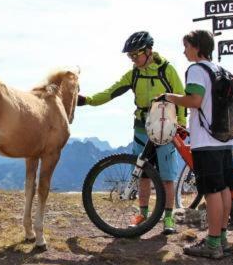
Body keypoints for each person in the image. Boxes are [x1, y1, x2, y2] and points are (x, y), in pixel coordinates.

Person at [77, 31, 186, 234]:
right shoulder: (134, 74)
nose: (133, 59)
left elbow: (181, 96)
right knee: (143, 174)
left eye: (136, 55)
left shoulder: (167, 69)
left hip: (165, 127)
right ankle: (142, 215)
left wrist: (182, 123)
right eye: (130, 56)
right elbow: (112, 91)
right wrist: (88, 100)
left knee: (167, 177)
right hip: (141, 128)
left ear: (148, 51)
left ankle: (169, 218)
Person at [160, 30, 233, 259]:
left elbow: (195, 100)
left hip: (206, 139)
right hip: (224, 138)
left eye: (186, 46)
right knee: (223, 189)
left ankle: (212, 245)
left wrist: (168, 97)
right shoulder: (220, 69)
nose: (184, 51)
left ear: (196, 46)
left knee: (211, 192)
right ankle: (221, 238)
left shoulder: (196, 70)